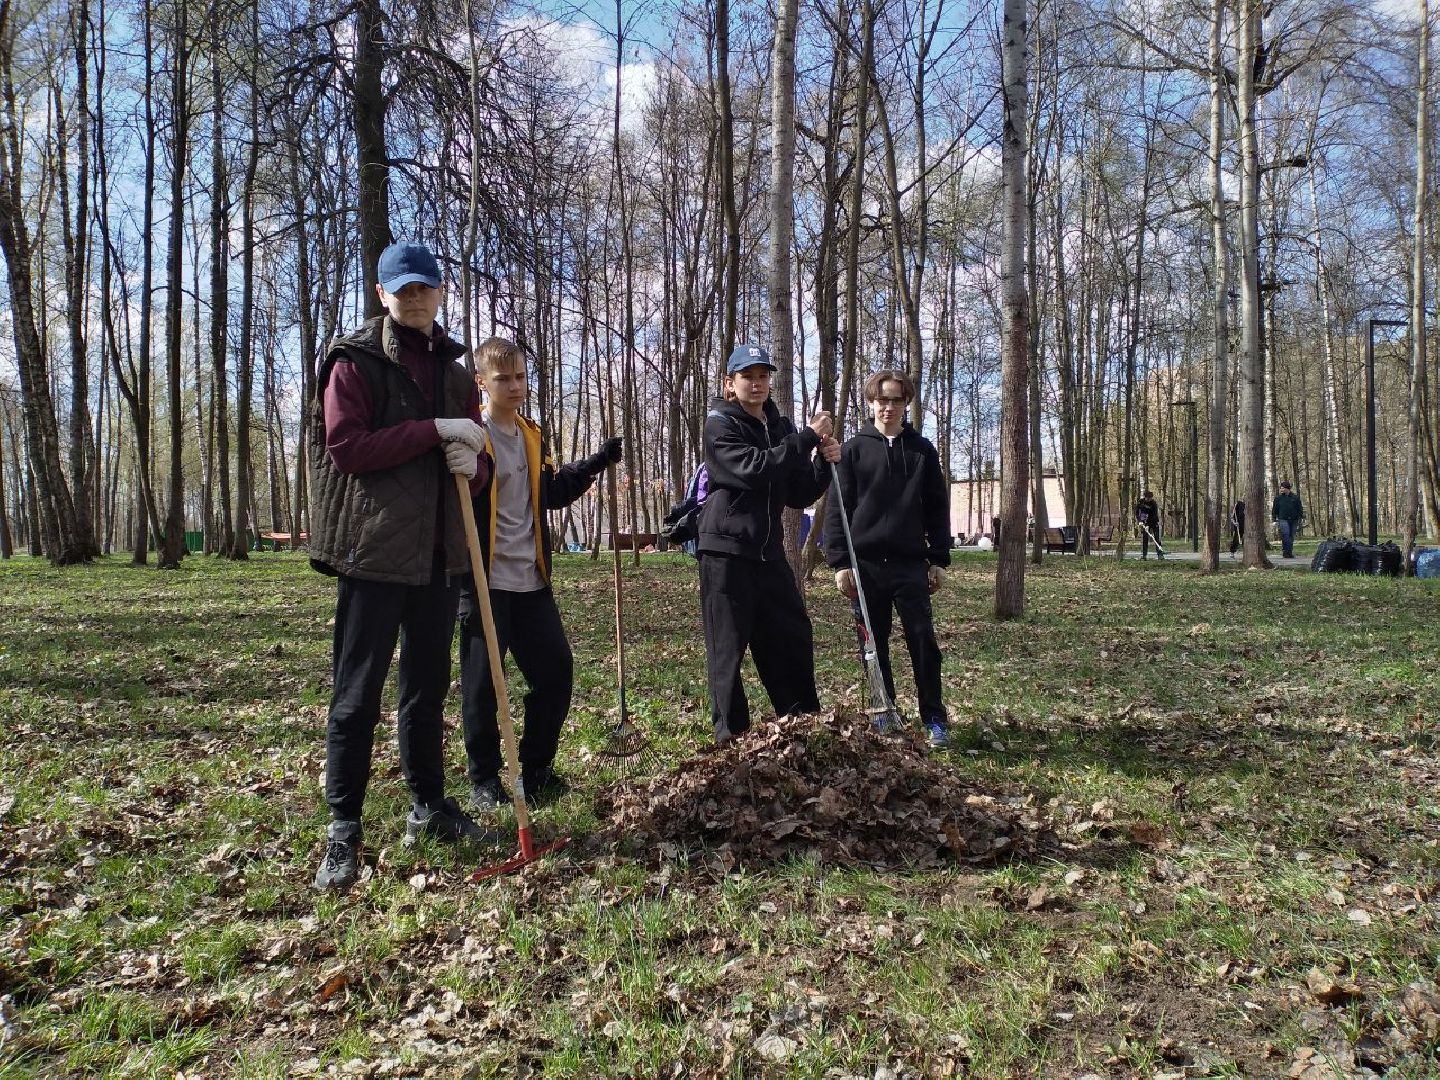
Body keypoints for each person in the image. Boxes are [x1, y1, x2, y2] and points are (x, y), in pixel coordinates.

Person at [308, 241, 495, 892]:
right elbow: (347, 448)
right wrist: (435, 432)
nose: (416, 300)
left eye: (426, 289)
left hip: (440, 555)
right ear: (383, 295)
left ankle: (430, 808)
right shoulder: (355, 360)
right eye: (403, 290)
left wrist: (475, 465)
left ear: (440, 293)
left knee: (424, 688)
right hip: (376, 551)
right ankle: (343, 830)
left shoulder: (457, 372)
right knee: (356, 696)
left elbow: (472, 452)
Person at [460, 337, 622, 811]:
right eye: (502, 378)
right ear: (481, 382)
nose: (513, 386)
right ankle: (485, 779)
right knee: (483, 685)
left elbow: (549, 491)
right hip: (484, 581)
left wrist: (595, 463)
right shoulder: (473, 433)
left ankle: (536, 770)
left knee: (555, 673)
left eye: (519, 377)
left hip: (532, 581)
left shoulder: (531, 435)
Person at [697, 343, 841, 744]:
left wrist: (822, 464)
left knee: (791, 634)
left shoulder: (780, 427)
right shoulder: (719, 425)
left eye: (763, 376)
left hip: (768, 553)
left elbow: (797, 493)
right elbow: (754, 470)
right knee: (728, 649)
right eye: (748, 377)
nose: (756, 384)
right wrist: (807, 438)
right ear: (730, 383)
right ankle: (732, 740)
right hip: (725, 551)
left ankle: (800, 724)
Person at [823, 369, 951, 745]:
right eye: (883, 400)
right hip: (864, 567)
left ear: (905, 403)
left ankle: (934, 718)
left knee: (922, 641)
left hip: (911, 565)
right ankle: (884, 712)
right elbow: (838, 509)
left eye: (896, 399)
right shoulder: (853, 450)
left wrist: (938, 559)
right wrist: (840, 563)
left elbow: (937, 508)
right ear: (871, 403)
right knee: (872, 646)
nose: (889, 407)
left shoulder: (922, 451)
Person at [1272, 480, 1304, 559]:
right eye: (1281, 488)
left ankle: (1289, 552)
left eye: (1282, 488)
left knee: (1291, 536)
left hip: (1294, 519)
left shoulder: (1295, 497)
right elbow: (1275, 509)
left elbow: (1299, 508)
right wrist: (1274, 519)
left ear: (1287, 488)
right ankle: (1286, 552)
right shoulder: (1278, 498)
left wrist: (1302, 517)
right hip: (1283, 519)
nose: (1281, 490)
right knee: (1285, 534)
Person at [1135, 490, 1162, 559]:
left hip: (1153, 522)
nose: (1149, 499)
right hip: (1143, 522)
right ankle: (1144, 555)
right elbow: (1137, 513)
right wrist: (1140, 521)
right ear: (1145, 497)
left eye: (1150, 498)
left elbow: (1153, 515)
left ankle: (1160, 554)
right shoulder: (1140, 502)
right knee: (1144, 539)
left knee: (1157, 538)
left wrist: (1148, 525)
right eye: (1147, 498)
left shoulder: (1153, 504)